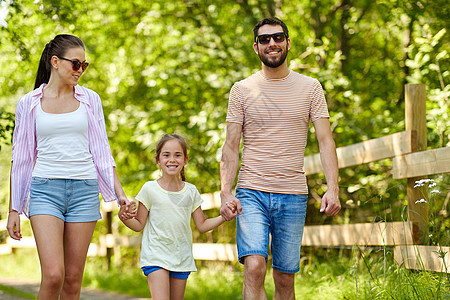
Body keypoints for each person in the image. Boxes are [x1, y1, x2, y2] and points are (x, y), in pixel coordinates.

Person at [219, 17, 341, 300]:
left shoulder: (311, 87)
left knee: (285, 278)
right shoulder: (241, 89)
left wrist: (332, 187)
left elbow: (325, 140)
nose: (271, 43)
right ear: (256, 47)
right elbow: (231, 145)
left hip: (293, 193)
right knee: (254, 267)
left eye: (277, 37)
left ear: (287, 42)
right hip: (251, 191)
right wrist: (225, 192)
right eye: (264, 39)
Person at [6, 34, 134, 300]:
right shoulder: (28, 103)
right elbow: (21, 159)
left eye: (84, 65)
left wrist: (120, 194)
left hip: (84, 192)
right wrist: (14, 208)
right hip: (44, 191)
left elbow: (102, 152)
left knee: (73, 281)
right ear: (55, 62)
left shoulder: (91, 100)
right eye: (76, 64)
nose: (81, 70)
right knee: (54, 276)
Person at [118, 133, 227, 300]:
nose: (172, 159)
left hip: (181, 258)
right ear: (158, 160)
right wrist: (123, 217)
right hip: (155, 256)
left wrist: (223, 217)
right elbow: (139, 224)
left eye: (178, 155)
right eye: (166, 155)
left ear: (185, 160)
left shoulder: (191, 191)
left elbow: (202, 225)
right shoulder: (149, 189)